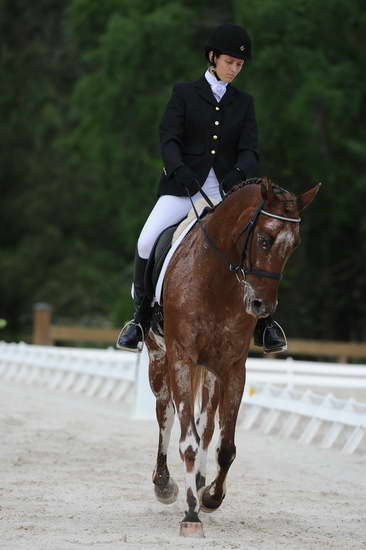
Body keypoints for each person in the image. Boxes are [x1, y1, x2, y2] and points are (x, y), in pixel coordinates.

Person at [116, 23, 287, 354]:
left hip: (226, 192)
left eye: (239, 65)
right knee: (146, 240)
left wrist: (238, 173)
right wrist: (178, 169)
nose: (235, 70)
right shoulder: (184, 93)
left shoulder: (244, 102)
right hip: (183, 187)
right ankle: (139, 319)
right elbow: (169, 137)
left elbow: (250, 150)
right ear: (212, 58)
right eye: (229, 63)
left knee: (258, 244)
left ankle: (264, 324)